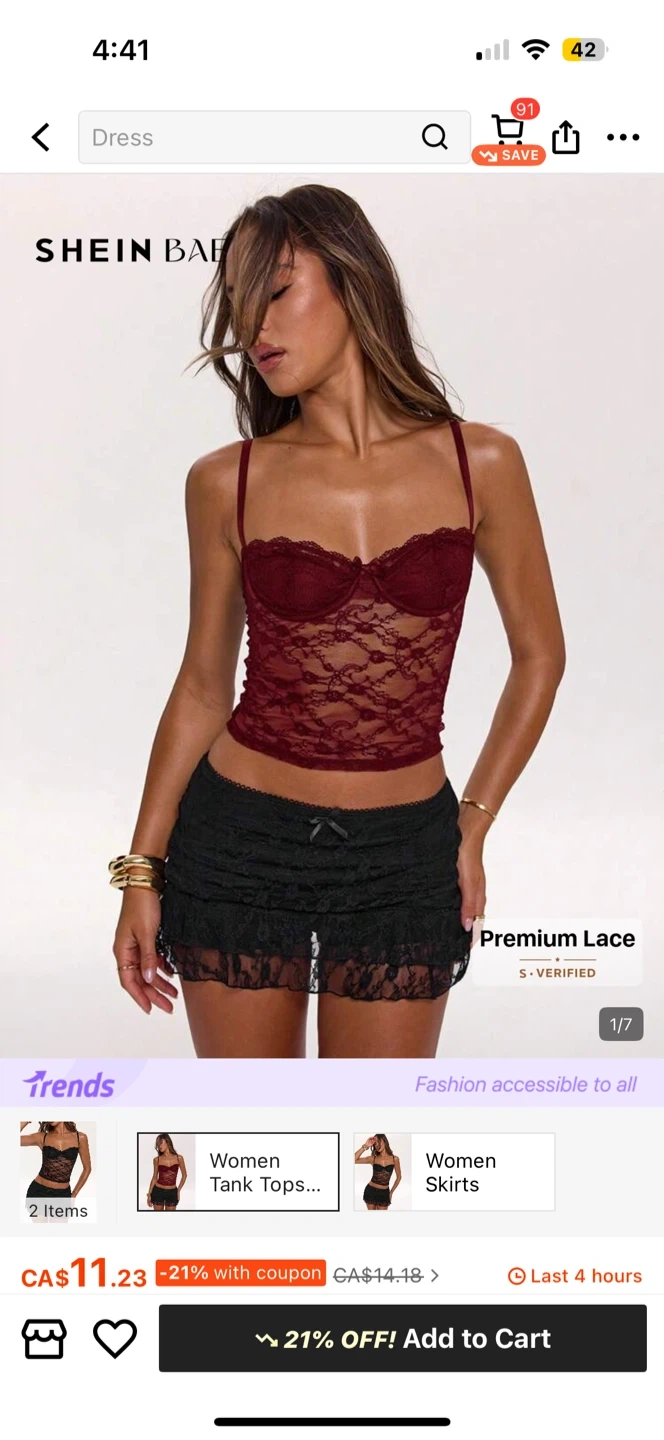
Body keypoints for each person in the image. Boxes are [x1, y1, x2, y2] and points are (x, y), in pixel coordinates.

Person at [110, 183, 565, 1059]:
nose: (255, 326)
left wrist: (473, 821)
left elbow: (540, 657)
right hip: (238, 842)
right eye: (239, 302)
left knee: (373, 1128)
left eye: (277, 289)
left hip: (406, 855)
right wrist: (141, 871)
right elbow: (203, 686)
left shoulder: (482, 463)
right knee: (257, 1130)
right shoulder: (226, 480)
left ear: (353, 280)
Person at [21, 1121, 92, 1203]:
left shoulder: (80, 1137)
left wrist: (74, 1195)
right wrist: (25, 1121)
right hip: (38, 1192)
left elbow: (87, 1168)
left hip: (63, 1195)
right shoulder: (42, 1137)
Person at [355, 1134, 401, 1210]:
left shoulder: (394, 1159)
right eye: (375, 1143)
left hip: (384, 1193)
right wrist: (366, 1145)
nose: (377, 1145)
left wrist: (391, 1192)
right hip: (370, 1191)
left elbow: (399, 1177)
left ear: (384, 1141)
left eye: (378, 1141)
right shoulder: (373, 1158)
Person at [147, 1133, 187, 1211]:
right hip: (158, 1191)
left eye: (161, 1143)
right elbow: (154, 1177)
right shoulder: (157, 1159)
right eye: (158, 1144)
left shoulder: (179, 1158)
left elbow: (184, 1175)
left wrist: (178, 1190)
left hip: (172, 1192)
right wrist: (149, 1194)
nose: (159, 1146)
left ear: (167, 1142)